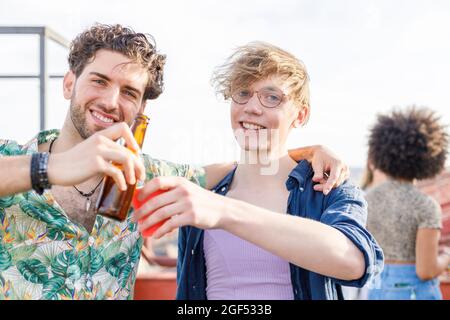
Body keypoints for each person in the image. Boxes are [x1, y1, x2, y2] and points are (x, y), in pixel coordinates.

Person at [0, 24, 348, 300]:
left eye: (129, 92)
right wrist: (48, 168)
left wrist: (302, 149)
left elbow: (238, 169)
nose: (110, 100)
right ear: (68, 83)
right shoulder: (10, 158)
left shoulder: (144, 173)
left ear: (141, 109)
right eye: (99, 81)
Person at [133, 42, 384, 300]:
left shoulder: (329, 188)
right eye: (242, 93)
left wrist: (223, 212)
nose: (252, 107)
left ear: (300, 115)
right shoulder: (202, 196)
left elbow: (354, 261)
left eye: (272, 97)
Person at [366, 107, 450, 300]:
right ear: (431, 155)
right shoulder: (425, 205)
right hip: (415, 293)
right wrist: (446, 255)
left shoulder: (368, 199)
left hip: (377, 291)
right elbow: (426, 271)